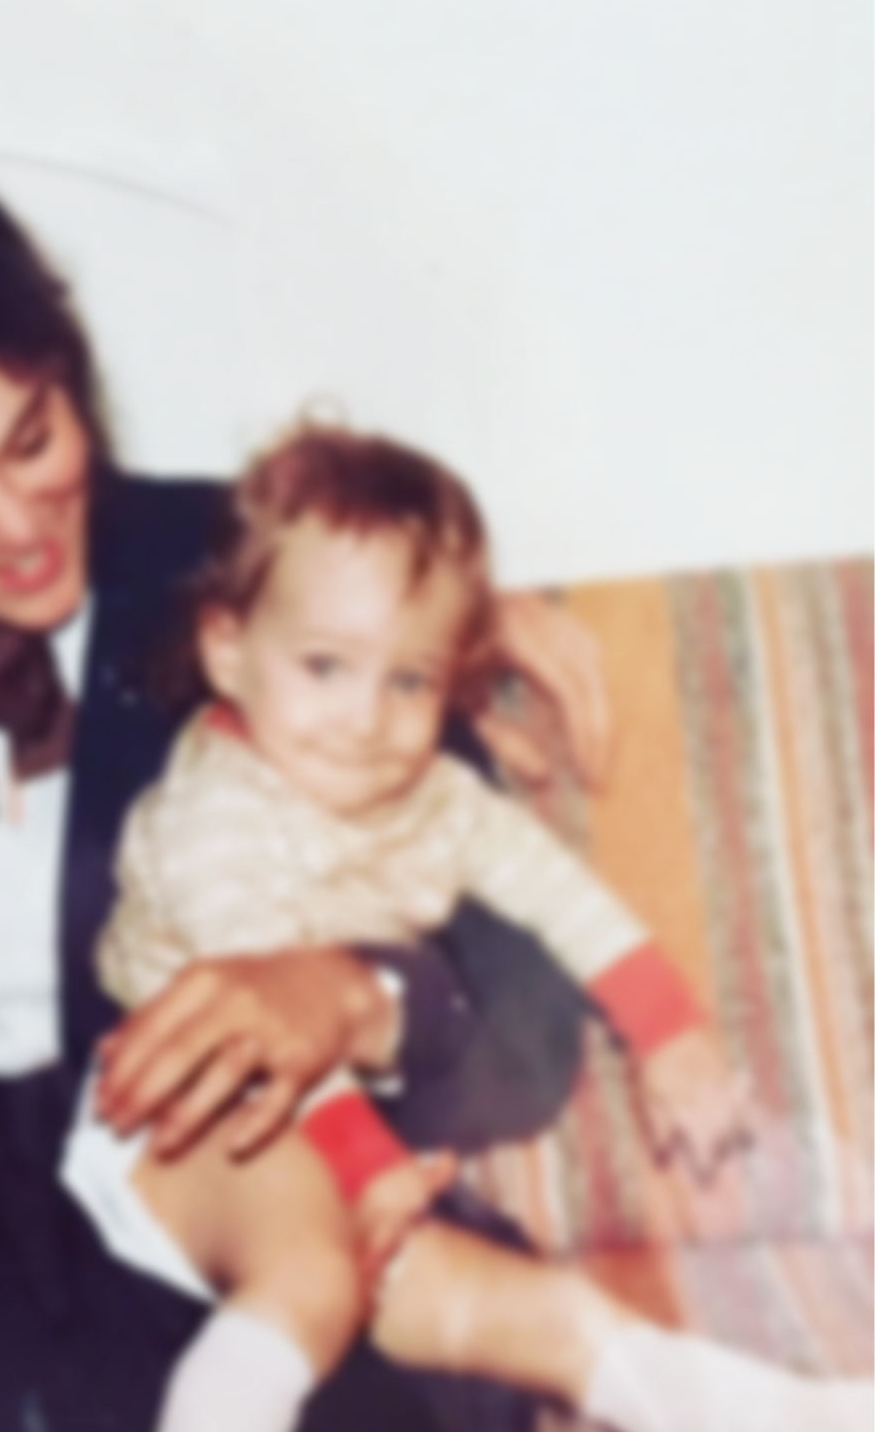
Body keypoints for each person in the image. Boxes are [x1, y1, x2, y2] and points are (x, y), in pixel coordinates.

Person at [0, 153, 618, 1432]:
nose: (14, 526)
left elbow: (532, 1013)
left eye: (33, 439)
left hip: (239, 1201)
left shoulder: (259, 569)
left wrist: (349, 994)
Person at [62, 421, 875, 1432]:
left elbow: (554, 890)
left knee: (525, 1311)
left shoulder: (435, 797)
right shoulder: (208, 819)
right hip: (174, 1111)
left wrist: (667, 1034)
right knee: (309, 1279)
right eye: (325, 667)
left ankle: (798, 1414)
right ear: (228, 650)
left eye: (407, 681)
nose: (366, 719)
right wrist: (368, 1172)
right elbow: (272, 1023)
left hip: (316, 1132)